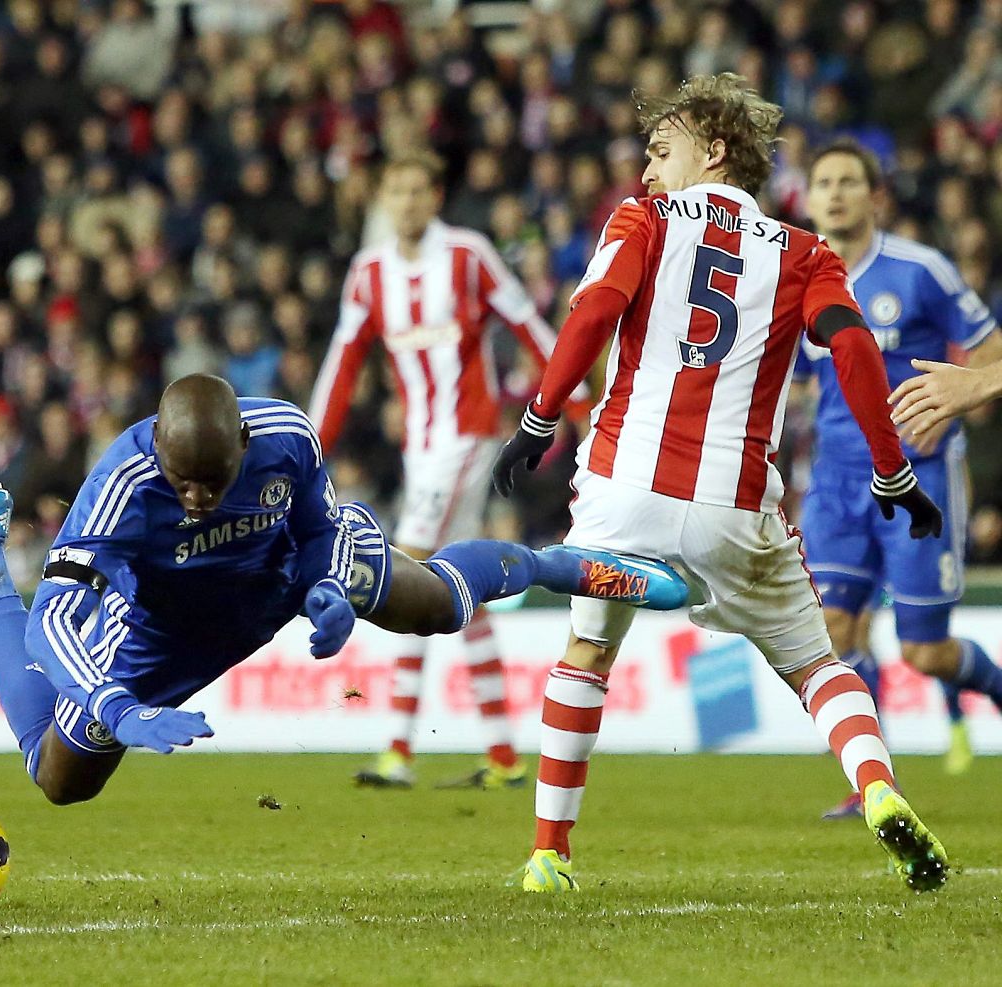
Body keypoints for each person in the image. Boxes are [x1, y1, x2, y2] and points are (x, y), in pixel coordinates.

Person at [492, 75, 949, 893]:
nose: (645, 174)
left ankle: (548, 855)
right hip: (732, 507)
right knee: (817, 667)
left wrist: (538, 415)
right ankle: (877, 786)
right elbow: (852, 353)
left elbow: (594, 310)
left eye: (660, 152)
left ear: (713, 147)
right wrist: (893, 468)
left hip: (622, 486)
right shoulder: (807, 253)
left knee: (588, 651)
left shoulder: (642, 221)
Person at [0, 375, 686, 806]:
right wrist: (119, 706)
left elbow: (321, 526)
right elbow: (53, 622)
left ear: (242, 448)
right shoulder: (119, 486)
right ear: (159, 454)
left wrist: (330, 587)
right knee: (56, 779)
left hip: (280, 578)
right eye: (185, 485)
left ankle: (560, 564)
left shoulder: (285, 436)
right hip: (163, 633)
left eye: (215, 481)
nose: (199, 498)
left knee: (432, 604)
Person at [308, 149, 565, 791]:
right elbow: (342, 361)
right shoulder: (369, 274)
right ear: (383, 200)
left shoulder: (468, 255)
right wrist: (313, 444)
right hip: (421, 446)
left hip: (469, 436)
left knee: (411, 574)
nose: (408, 202)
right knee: (460, 593)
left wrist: (572, 400)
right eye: (396, 190)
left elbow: (528, 322)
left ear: (436, 196)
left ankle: (397, 747)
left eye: (419, 189)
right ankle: (504, 755)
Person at [796, 138, 1002, 818]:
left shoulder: (921, 270)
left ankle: (993, 686)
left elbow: (989, 343)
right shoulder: (797, 279)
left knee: (925, 650)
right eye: (823, 181)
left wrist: (961, 396)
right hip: (835, 480)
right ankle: (874, 784)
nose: (834, 192)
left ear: (874, 195)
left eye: (848, 180)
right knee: (835, 628)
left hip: (918, 474)